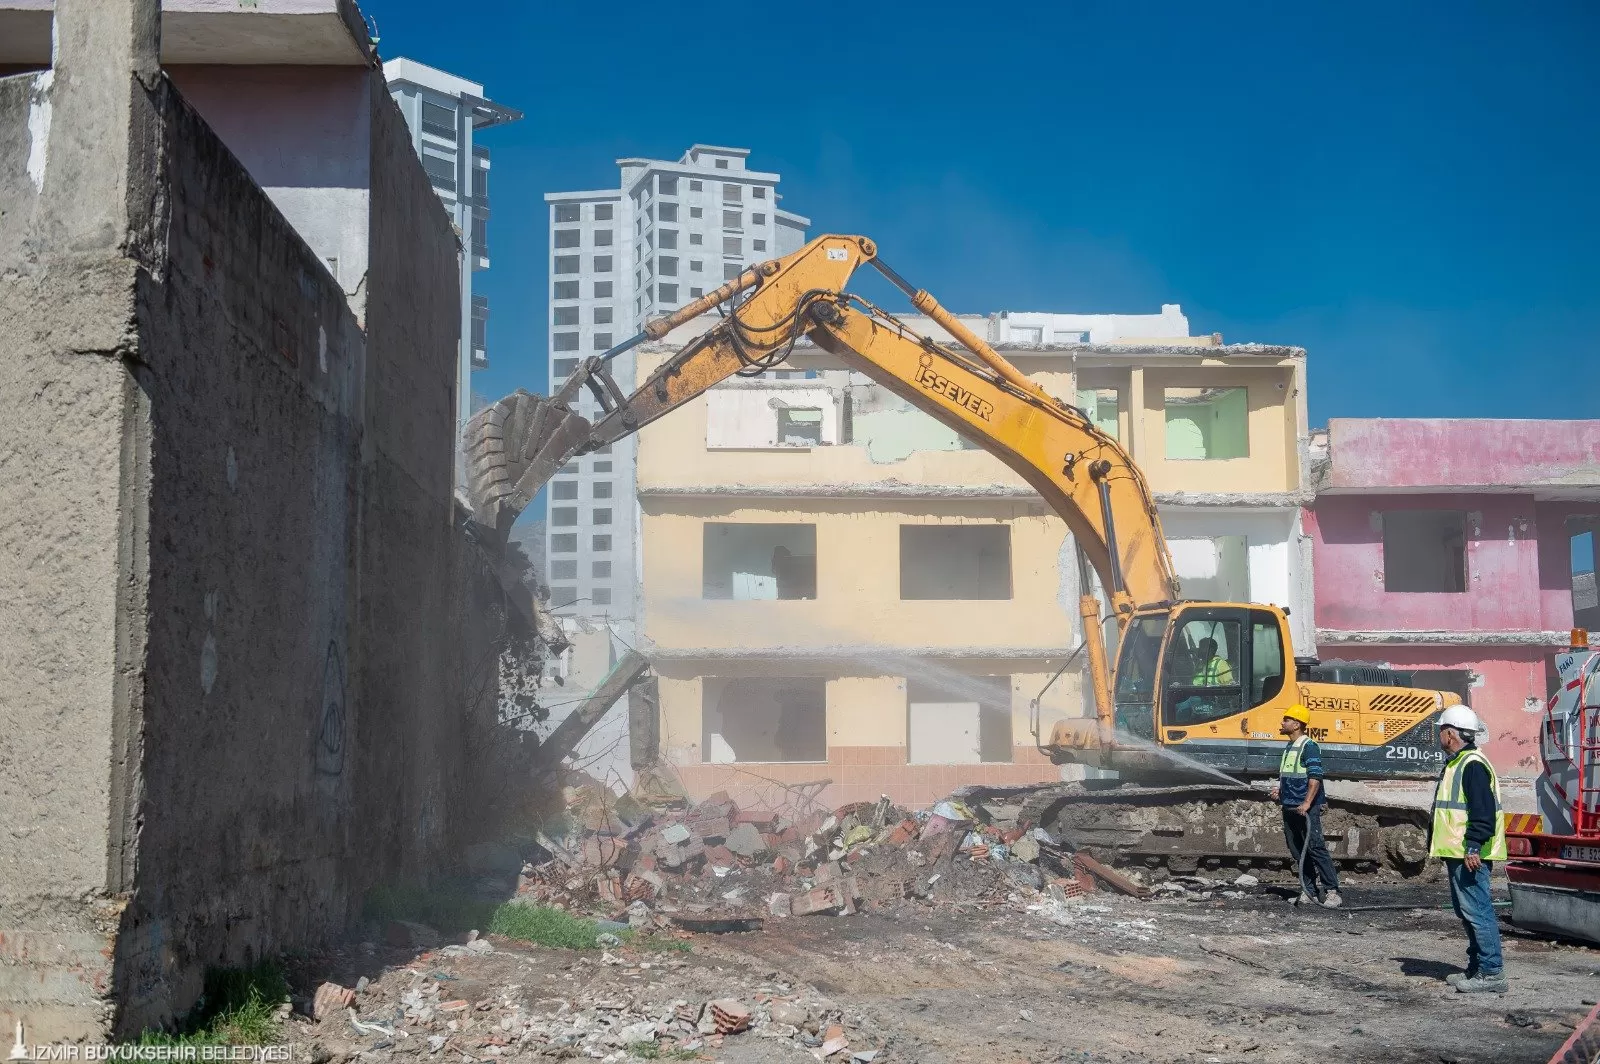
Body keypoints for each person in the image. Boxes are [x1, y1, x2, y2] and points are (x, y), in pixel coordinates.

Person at [1430, 705, 1508, 994]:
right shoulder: (1458, 762)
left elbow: (1483, 812)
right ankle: (1477, 967)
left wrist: (1474, 845)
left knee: (1478, 911)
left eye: (1441, 730)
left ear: (1451, 733)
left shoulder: (1472, 764)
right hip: (1458, 852)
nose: (1439, 735)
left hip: (1469, 854)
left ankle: (1492, 973)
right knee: (1467, 912)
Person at [1270, 704, 1342, 908]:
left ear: (1297, 724)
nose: (1282, 722)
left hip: (1306, 808)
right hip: (1290, 806)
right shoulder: (1289, 747)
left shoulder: (1308, 746)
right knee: (1298, 850)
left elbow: (1315, 777)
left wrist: (1308, 803)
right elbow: (1290, 775)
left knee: (1316, 848)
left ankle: (1332, 891)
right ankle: (1309, 891)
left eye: (1286, 719)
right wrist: (1280, 791)